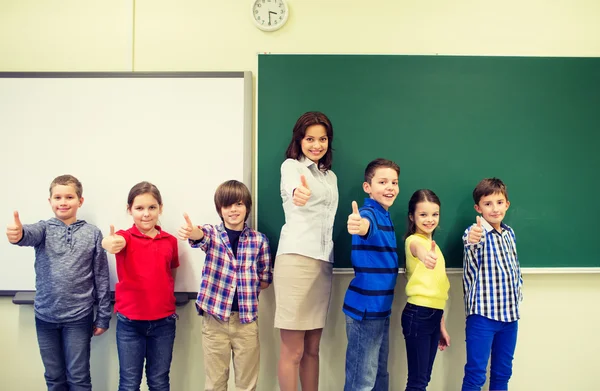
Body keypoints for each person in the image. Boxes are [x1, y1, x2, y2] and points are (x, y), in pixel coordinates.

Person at [6, 174, 111, 391]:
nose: (63, 202)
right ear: (50, 201)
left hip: (79, 318)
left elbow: (101, 276)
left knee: (79, 378)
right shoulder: (43, 229)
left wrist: (103, 316)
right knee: (54, 378)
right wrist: (18, 234)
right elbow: (26, 235)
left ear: (80, 201)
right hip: (45, 317)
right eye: (58, 197)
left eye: (69, 197)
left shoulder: (92, 233)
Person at [178, 180, 272, 391]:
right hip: (215, 322)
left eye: (238, 204)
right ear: (220, 209)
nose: (233, 210)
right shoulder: (212, 234)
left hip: (246, 322)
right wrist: (193, 232)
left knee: (246, 385)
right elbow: (199, 236)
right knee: (215, 384)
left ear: (247, 206)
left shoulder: (259, 241)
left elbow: (264, 279)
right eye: (227, 205)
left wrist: (245, 284)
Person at [274, 111, 338, 391]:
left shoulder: (330, 177)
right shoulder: (292, 167)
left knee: (313, 349)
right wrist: (298, 194)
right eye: (310, 139)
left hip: (323, 263)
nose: (316, 145)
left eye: (322, 139)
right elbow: (293, 190)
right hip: (297, 260)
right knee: (294, 351)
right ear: (299, 140)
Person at [102, 181, 179, 391]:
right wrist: (109, 242)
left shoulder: (170, 241)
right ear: (129, 210)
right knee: (129, 383)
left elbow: (171, 273)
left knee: (159, 381)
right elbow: (112, 242)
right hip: (130, 324)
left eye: (152, 207)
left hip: (163, 323)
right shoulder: (124, 237)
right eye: (139, 208)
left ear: (160, 208)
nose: (146, 214)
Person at [343, 158, 401, 391]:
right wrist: (359, 224)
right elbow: (365, 225)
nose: (390, 187)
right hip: (365, 310)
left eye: (394, 182)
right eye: (383, 181)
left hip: (381, 308)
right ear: (367, 187)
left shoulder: (385, 214)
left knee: (379, 374)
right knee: (362, 379)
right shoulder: (370, 213)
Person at [461, 178, 523, 391]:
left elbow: (515, 269)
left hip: (510, 317)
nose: (494, 208)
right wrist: (473, 237)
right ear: (478, 208)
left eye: (499, 202)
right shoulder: (474, 233)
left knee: (503, 373)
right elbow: (471, 243)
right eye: (488, 204)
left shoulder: (509, 233)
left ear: (507, 204)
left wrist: (518, 295)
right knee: (476, 374)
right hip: (483, 317)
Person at [401, 189, 451, 391]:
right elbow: (417, 250)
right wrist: (424, 256)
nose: (430, 219)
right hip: (418, 315)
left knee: (424, 379)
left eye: (434, 214)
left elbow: (435, 290)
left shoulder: (434, 245)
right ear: (412, 217)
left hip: (432, 315)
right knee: (417, 382)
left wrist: (441, 325)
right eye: (423, 214)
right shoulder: (414, 241)